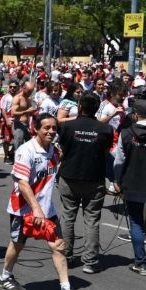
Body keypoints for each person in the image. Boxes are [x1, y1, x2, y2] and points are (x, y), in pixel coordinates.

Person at [0, 113, 70, 290]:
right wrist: (36, 209)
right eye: (46, 128)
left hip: (47, 210)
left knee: (58, 246)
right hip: (23, 209)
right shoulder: (26, 150)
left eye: (54, 128)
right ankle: (5, 276)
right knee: (17, 244)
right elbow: (22, 182)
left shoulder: (54, 150)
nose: (51, 131)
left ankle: (65, 285)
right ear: (36, 129)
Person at [57, 92, 113, 273]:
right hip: (94, 179)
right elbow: (105, 153)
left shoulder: (67, 127)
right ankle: (89, 261)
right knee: (92, 220)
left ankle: (66, 255)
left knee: (68, 217)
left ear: (80, 106)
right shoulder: (105, 129)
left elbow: (63, 150)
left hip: (70, 177)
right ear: (97, 108)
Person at [113, 98, 146, 275]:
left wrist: (117, 182)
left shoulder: (126, 133)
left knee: (136, 222)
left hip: (132, 183)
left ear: (134, 115)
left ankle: (141, 263)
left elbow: (119, 161)